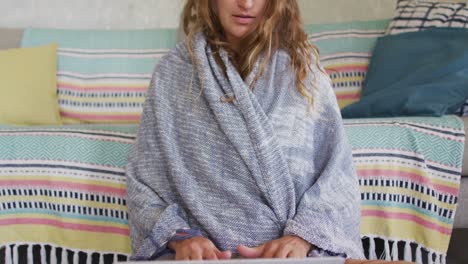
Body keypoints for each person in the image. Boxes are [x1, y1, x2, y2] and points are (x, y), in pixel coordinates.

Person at [126, 0, 404, 263]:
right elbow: (144, 183)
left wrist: (301, 237)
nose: (246, 3)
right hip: (205, 258)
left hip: (293, 256)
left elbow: (336, 177)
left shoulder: (304, 74)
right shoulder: (172, 75)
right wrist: (181, 238)